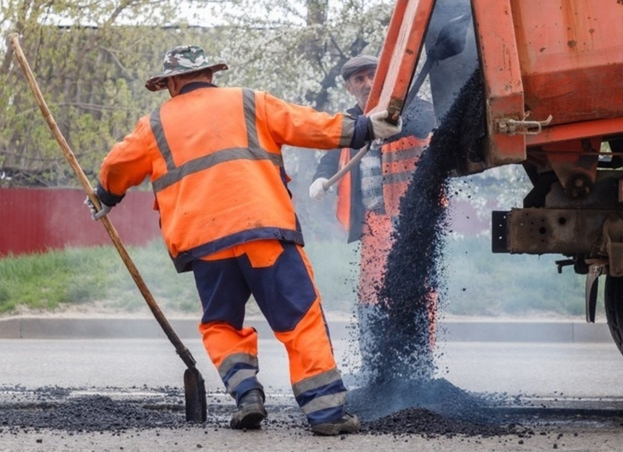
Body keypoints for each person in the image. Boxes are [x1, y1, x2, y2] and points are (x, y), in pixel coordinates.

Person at [83, 45, 401, 436]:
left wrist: (106, 195)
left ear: (170, 83)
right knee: (300, 318)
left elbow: (117, 166)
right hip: (262, 230)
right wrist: (365, 128)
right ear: (210, 75)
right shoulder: (249, 101)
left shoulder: (154, 124)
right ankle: (326, 413)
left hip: (204, 245)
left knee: (221, 323)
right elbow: (307, 125)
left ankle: (246, 395)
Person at [309, 55, 437, 373]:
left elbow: (425, 122)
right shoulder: (351, 122)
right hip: (373, 222)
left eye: (371, 77)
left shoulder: (411, 107)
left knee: (418, 291)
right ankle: (376, 366)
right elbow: (331, 149)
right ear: (349, 87)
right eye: (359, 80)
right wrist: (320, 178)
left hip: (411, 222)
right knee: (372, 292)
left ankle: (419, 366)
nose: (366, 84)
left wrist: (390, 123)